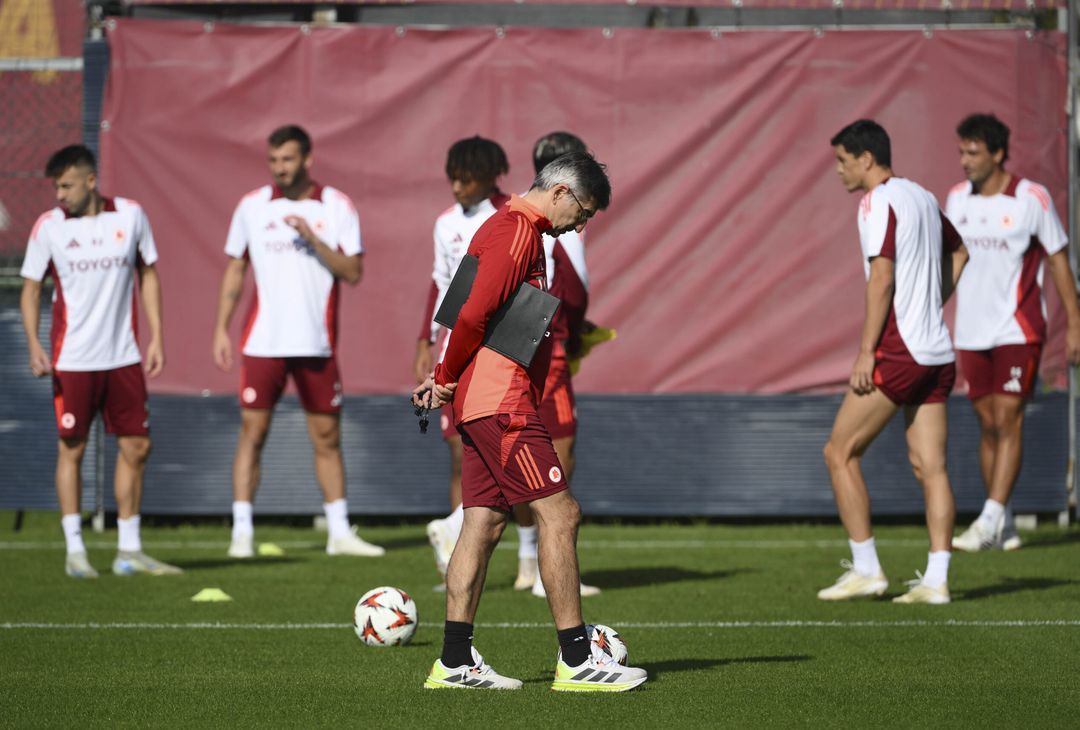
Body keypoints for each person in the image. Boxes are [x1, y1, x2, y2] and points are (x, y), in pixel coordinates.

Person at [414, 152, 647, 691]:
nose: (582, 225)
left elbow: (457, 308)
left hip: (480, 399)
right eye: (584, 212)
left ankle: (452, 663)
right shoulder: (518, 231)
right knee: (561, 514)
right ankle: (578, 659)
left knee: (483, 523)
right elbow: (469, 313)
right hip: (499, 400)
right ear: (562, 192)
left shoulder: (505, 228)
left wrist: (445, 377)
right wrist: (445, 376)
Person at [212, 125, 383, 559]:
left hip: (316, 342)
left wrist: (312, 237)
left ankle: (340, 533)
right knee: (253, 432)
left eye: (287, 160)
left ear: (307, 159)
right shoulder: (251, 206)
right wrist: (220, 327)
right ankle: (242, 534)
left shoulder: (336, 206)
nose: (279, 169)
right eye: (273, 161)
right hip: (262, 342)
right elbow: (235, 270)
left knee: (326, 436)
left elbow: (353, 271)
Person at [819, 120, 968, 605]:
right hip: (939, 353)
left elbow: (880, 278)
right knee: (932, 467)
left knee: (839, 452)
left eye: (843, 160)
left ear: (866, 159)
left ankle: (867, 570)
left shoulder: (876, 200)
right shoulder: (923, 196)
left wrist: (866, 351)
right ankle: (937, 581)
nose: (839, 170)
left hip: (900, 352)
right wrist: (931, 302)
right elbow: (961, 252)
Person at [20, 144, 181, 578]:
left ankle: (129, 550)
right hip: (72, 359)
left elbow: (148, 274)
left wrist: (157, 337)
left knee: (137, 446)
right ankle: (75, 551)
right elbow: (32, 287)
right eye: (56, 186)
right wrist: (33, 344)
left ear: (91, 181)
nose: (60, 194)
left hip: (124, 357)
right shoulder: (49, 227)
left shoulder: (130, 215)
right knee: (72, 448)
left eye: (67, 185)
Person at [946, 113, 1080, 551]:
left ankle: (986, 521)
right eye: (962, 151)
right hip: (970, 331)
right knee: (988, 425)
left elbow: (1059, 261)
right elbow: (950, 262)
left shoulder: (1031, 198)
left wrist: (1075, 324)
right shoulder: (957, 199)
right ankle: (1001, 519)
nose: (965, 161)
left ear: (998, 153)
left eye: (974, 152)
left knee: (1009, 417)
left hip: (1018, 330)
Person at [417, 136, 532, 590]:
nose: (457, 187)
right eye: (452, 178)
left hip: (502, 351)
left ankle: (527, 559)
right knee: (461, 455)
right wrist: (426, 339)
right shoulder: (445, 224)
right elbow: (441, 284)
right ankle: (454, 555)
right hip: (456, 348)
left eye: (465, 178)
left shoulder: (514, 215)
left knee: (515, 452)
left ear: (489, 175)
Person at [528, 131, 600, 599]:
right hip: (541, 352)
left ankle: (524, 564)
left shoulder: (511, 217)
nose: (580, 224)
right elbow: (567, 295)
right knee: (555, 455)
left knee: (500, 471)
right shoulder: (550, 227)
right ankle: (541, 572)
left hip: (516, 351)